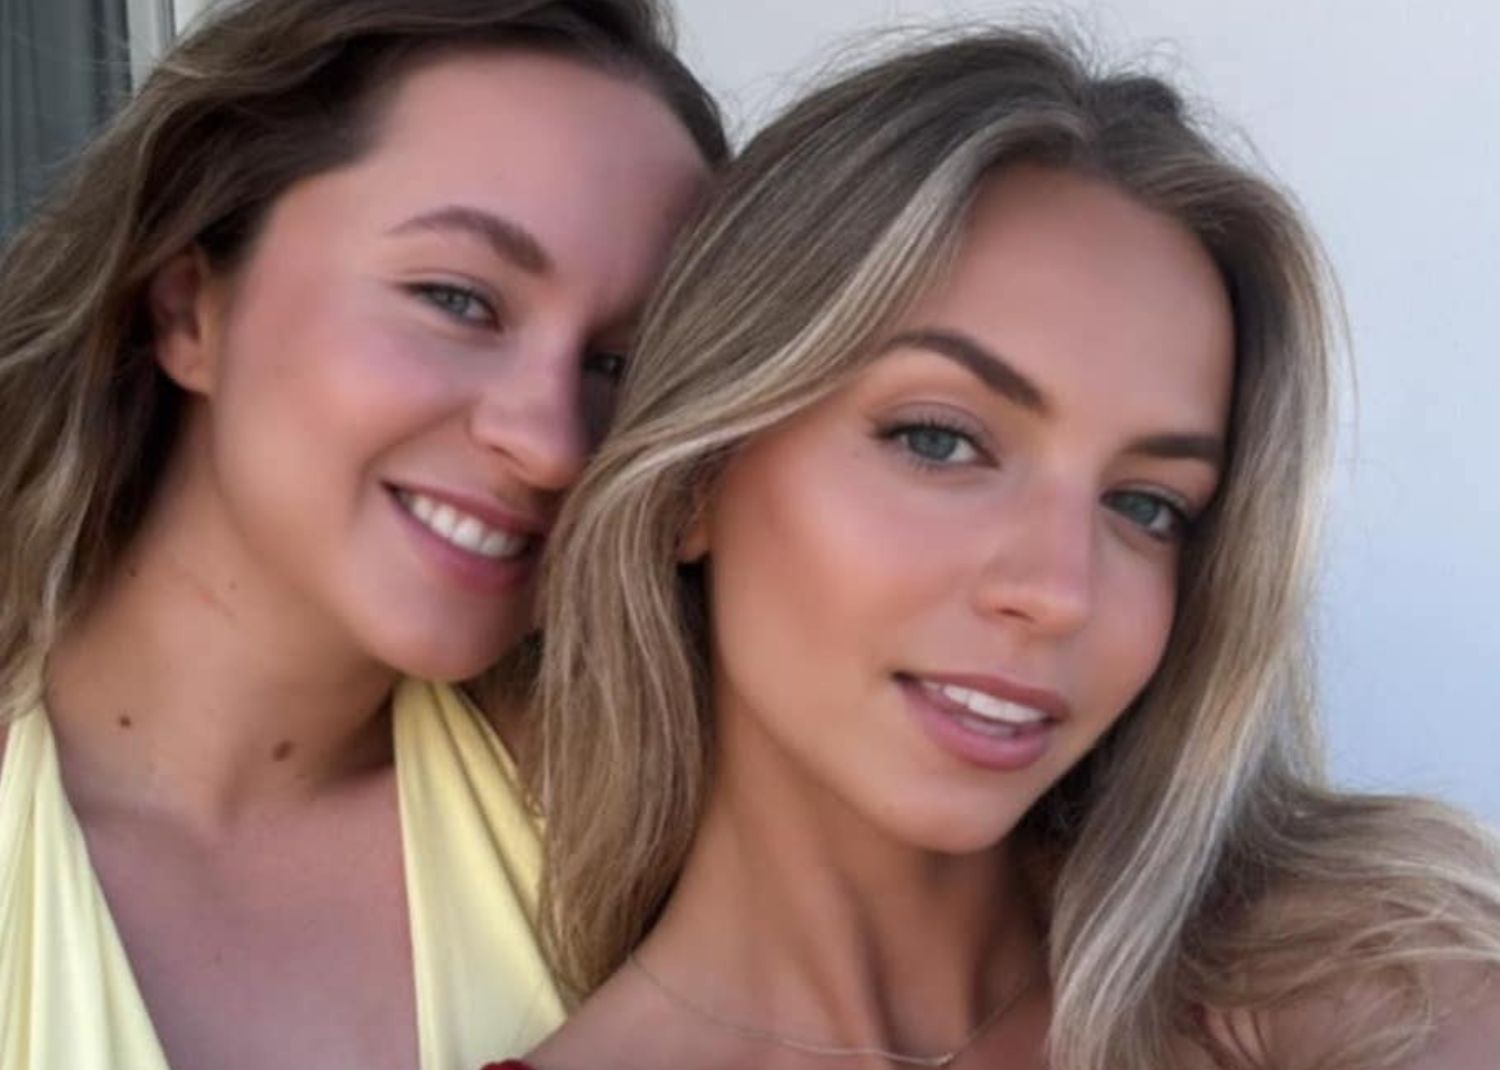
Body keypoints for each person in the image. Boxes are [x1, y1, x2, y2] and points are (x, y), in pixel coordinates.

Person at [496, 28, 1500, 1070]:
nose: (1061, 591)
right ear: (695, 478)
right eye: (940, 440)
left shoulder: (1375, 987)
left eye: (1147, 505)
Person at [0, 1, 724, 1067]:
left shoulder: (644, 847)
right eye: (457, 299)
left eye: (619, 364)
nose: (551, 443)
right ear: (190, 309)